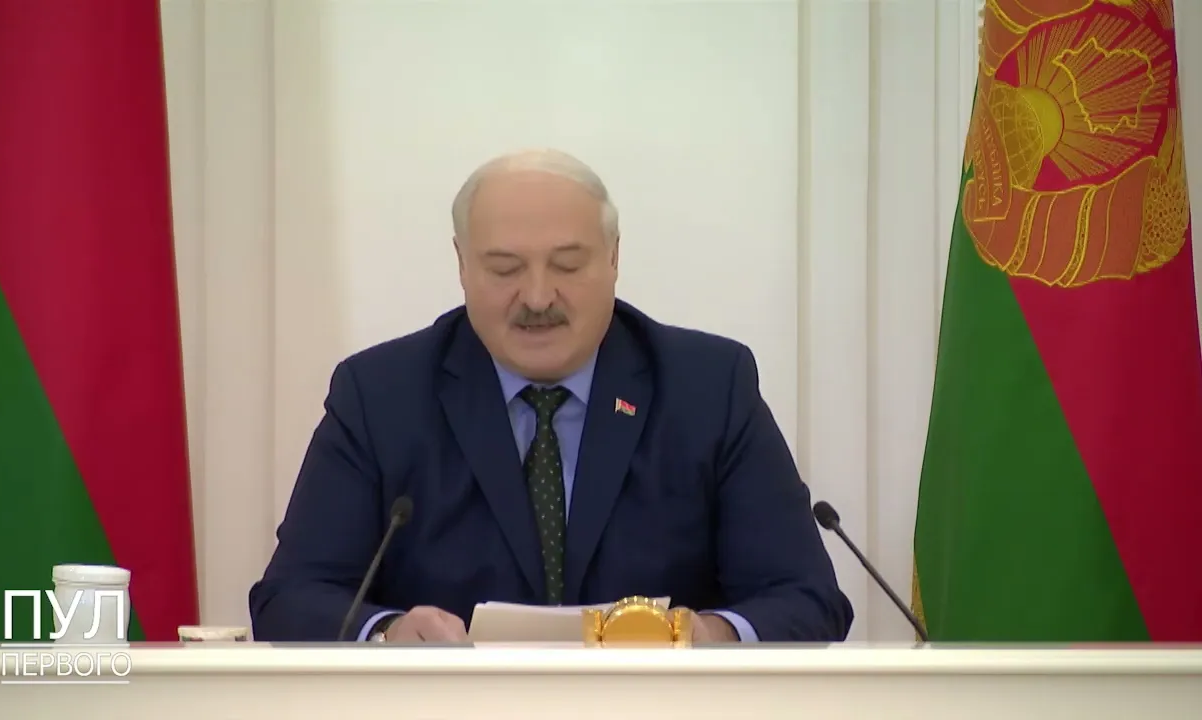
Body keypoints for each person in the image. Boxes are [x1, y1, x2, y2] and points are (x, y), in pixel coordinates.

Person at [248, 148, 853, 643]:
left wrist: (708, 636)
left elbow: (808, 599)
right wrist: (388, 634)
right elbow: (290, 597)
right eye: (505, 269)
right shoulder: (381, 395)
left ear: (614, 258)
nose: (537, 298)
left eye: (566, 265)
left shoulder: (709, 387)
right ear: (461, 264)